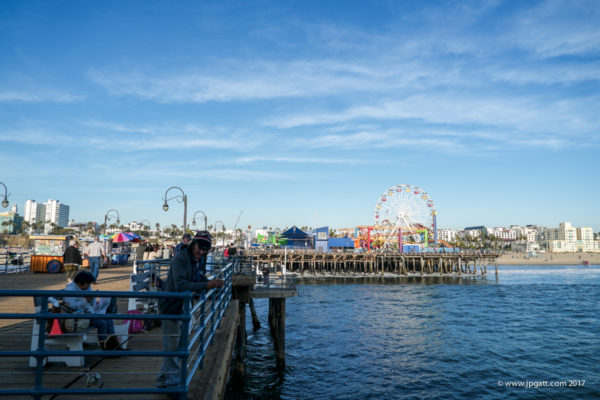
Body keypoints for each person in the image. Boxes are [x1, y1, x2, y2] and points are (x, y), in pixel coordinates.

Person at [156, 231, 224, 395]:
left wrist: (209, 281)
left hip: (184, 307)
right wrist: (207, 285)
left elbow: (197, 277)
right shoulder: (180, 259)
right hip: (171, 306)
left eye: (204, 250)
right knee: (173, 348)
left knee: (178, 346)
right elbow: (181, 285)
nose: (201, 252)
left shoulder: (200, 258)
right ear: (193, 243)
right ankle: (173, 386)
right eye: (200, 248)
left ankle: (163, 380)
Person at [63, 271, 118, 350]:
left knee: (108, 318)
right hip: (77, 318)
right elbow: (72, 307)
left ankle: (114, 343)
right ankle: (104, 345)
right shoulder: (70, 290)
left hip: (89, 312)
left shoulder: (86, 287)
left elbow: (92, 302)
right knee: (101, 323)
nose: (89, 286)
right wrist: (86, 300)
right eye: (88, 284)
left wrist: (94, 300)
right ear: (80, 283)